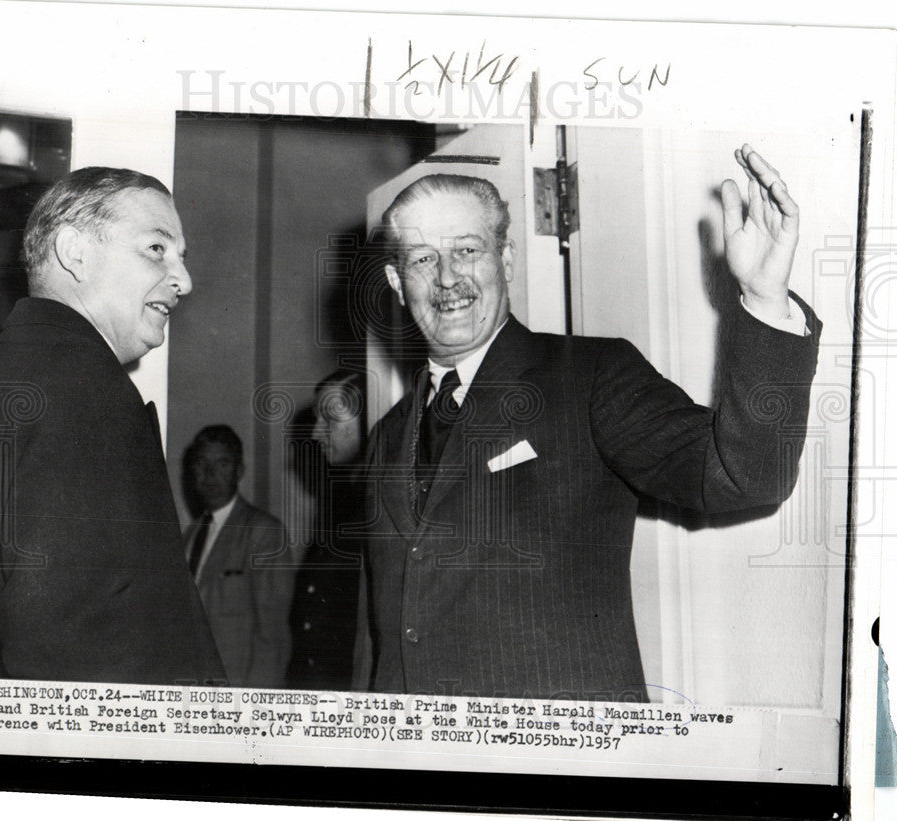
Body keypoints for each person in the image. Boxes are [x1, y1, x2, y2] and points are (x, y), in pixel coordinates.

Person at [359, 145, 821, 701]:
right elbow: (382, 633)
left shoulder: (590, 376)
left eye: (467, 250)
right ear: (395, 280)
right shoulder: (388, 436)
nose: (448, 279)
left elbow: (743, 475)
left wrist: (764, 299)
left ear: (505, 260)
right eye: (423, 259)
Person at [0, 167, 226, 685]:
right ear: (74, 251)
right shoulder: (85, 389)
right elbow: (95, 655)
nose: (184, 281)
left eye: (182, 257)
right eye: (157, 248)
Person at [182, 425, 293, 687]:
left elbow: (273, 635)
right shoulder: (190, 536)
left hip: (239, 692)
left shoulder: (263, 532)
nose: (210, 474)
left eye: (222, 464)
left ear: (239, 471)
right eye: (201, 463)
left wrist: (255, 707)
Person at [287, 370, 366, 690]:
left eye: (329, 420)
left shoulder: (378, 504)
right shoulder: (340, 500)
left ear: (369, 418)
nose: (317, 433)